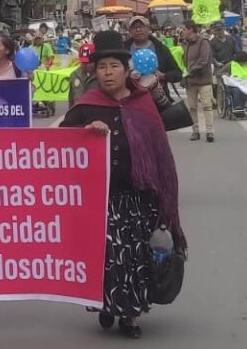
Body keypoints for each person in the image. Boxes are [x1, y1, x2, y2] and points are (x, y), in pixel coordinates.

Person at [60, 31, 185, 339]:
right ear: (95, 71)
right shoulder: (87, 105)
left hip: (140, 194)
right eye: (102, 67)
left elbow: (159, 149)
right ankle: (107, 305)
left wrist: (160, 195)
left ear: (126, 69)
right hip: (102, 196)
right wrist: (87, 132)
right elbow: (60, 143)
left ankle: (129, 316)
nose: (108, 72)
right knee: (108, 255)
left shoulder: (143, 102)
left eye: (114, 66)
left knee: (136, 255)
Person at [181, 21, 216, 142]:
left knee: (207, 105)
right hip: (190, 81)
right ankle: (195, 130)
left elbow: (204, 60)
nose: (182, 31)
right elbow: (184, 62)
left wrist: (192, 70)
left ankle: (209, 131)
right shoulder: (185, 44)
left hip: (203, 79)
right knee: (192, 107)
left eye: (184, 29)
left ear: (191, 29)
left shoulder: (203, 42)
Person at [124, 16, 181, 85]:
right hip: (131, 92)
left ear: (149, 29)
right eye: (134, 27)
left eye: (141, 26)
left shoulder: (160, 49)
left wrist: (163, 76)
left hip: (156, 93)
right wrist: (127, 76)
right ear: (130, 31)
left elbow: (177, 74)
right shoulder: (123, 49)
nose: (138, 30)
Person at [222, 51, 247, 118]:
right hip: (233, 85)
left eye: (245, 62)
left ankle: (242, 107)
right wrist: (225, 76)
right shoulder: (230, 65)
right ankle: (237, 107)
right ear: (239, 60)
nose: (244, 63)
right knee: (237, 90)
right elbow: (220, 72)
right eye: (243, 62)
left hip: (244, 84)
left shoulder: (246, 65)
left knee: (246, 90)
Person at [67, 42, 97, 106]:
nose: (87, 65)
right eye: (84, 62)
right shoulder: (74, 75)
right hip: (78, 111)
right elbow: (71, 97)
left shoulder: (100, 75)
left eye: (90, 62)